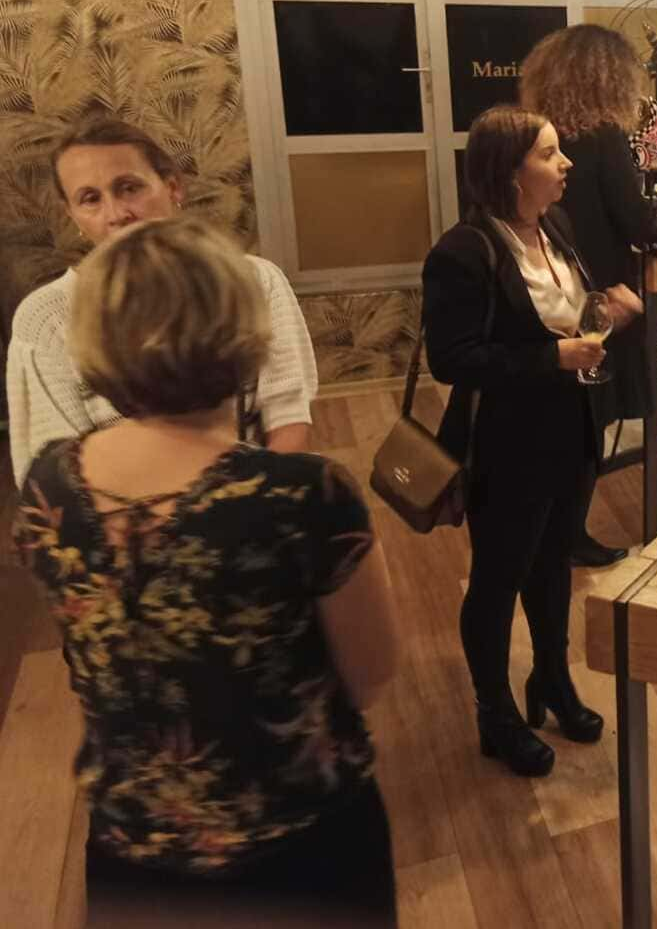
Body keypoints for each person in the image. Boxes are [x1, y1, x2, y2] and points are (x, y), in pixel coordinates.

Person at [14, 216, 399, 927]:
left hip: (130, 854)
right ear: (242, 330)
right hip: (305, 848)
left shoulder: (47, 485)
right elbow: (372, 675)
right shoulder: (305, 494)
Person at [422, 104, 642, 777]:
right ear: (511, 171)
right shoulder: (464, 251)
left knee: (553, 565)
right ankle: (495, 713)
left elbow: (567, 316)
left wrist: (606, 311)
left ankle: (552, 679)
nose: (566, 163)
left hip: (568, 426)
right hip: (505, 441)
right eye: (550, 154)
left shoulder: (557, 225)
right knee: (497, 577)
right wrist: (553, 360)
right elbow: (453, 359)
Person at [518, 23, 657, 567]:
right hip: (602, 291)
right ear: (608, 76)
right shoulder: (604, 135)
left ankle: (546, 526)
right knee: (592, 415)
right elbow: (638, 223)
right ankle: (568, 536)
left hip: (552, 285)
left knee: (564, 414)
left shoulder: (537, 134)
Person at [8, 115, 318, 484]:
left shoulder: (255, 280)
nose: (118, 214)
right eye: (90, 199)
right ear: (73, 215)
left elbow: (288, 414)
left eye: (129, 188)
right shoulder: (46, 318)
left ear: (172, 187)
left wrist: (254, 508)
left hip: (252, 498)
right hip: (124, 517)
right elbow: (55, 468)